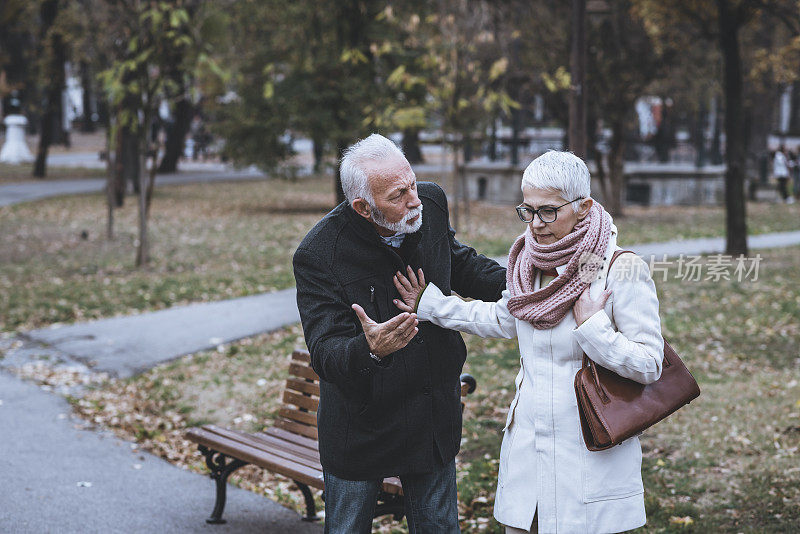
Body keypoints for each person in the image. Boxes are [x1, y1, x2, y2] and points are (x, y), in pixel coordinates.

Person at [393, 151, 665, 533]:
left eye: (549, 211)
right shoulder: (530, 266)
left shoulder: (620, 268)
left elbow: (649, 365)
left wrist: (593, 329)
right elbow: (504, 318)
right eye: (528, 210)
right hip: (529, 458)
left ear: (584, 207)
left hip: (589, 455)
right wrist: (431, 304)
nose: (535, 224)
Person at [293, 133, 506, 533]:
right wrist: (370, 349)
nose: (414, 200)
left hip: (431, 414)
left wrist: (523, 286)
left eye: (412, 183)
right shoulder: (320, 254)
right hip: (362, 425)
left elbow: (460, 263)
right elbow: (325, 352)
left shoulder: (431, 205)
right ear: (363, 207)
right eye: (397, 195)